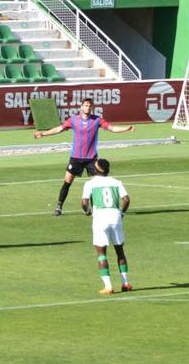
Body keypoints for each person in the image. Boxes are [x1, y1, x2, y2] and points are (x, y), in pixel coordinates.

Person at [34, 97, 135, 216]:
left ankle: (94, 208)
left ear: (92, 107)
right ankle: (59, 207)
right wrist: (43, 133)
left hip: (91, 159)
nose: (87, 107)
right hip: (76, 157)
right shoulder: (73, 120)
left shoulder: (97, 120)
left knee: (97, 183)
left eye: (89, 105)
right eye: (85, 105)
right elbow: (59, 129)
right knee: (67, 182)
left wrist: (126, 128)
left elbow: (111, 128)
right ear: (81, 107)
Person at [81, 158, 132, 295]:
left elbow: (84, 202)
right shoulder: (117, 182)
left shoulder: (90, 183)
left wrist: (87, 212)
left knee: (102, 254)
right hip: (115, 217)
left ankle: (108, 286)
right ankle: (125, 282)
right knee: (120, 251)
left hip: (100, 219)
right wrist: (122, 212)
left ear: (96, 170)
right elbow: (126, 199)